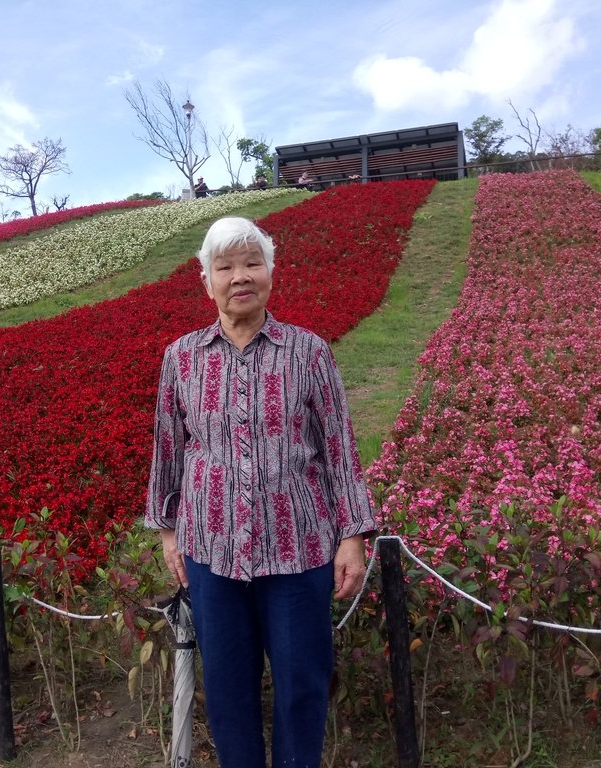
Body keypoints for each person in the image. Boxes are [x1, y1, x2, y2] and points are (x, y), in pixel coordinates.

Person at [145, 216, 375, 768]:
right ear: (207, 281)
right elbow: (169, 450)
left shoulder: (309, 353)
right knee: (227, 690)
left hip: (297, 549)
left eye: (252, 263)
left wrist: (353, 537)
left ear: (271, 273)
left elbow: (339, 448)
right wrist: (170, 532)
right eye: (225, 267)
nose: (239, 277)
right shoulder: (182, 358)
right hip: (211, 553)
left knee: (302, 684)